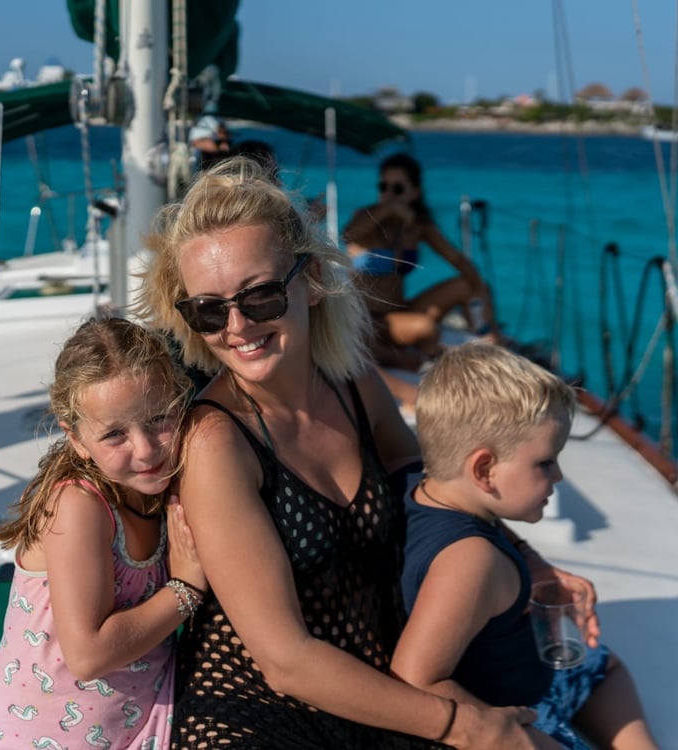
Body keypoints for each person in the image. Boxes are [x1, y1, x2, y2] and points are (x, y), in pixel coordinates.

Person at [134, 154, 601, 749]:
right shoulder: (218, 442)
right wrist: (468, 726)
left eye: (259, 297)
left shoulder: (351, 382)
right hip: (258, 713)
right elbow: (285, 659)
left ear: (308, 283)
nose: (236, 326)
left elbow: (434, 494)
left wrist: (528, 561)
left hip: (377, 689)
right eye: (207, 309)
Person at [392, 342, 658, 750]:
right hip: (517, 714)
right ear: (484, 469)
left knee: (603, 664)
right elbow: (414, 677)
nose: (558, 477)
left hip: (525, 672)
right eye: (545, 462)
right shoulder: (471, 560)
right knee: (602, 670)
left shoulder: (417, 484)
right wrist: (502, 732)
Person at [0, 316, 207, 750]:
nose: (145, 450)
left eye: (160, 417)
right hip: (50, 738)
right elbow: (87, 655)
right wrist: (185, 590)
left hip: (142, 719)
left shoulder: (162, 487)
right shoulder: (78, 505)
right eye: (114, 434)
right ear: (77, 439)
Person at [342, 152, 499, 410]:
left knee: (466, 284)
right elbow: (348, 235)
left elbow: (458, 261)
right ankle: (410, 361)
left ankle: (486, 340)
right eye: (384, 187)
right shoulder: (368, 216)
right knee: (424, 327)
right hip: (368, 318)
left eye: (398, 188)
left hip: (398, 311)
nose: (389, 193)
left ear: (414, 192)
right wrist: (389, 210)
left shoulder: (418, 227)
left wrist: (485, 308)